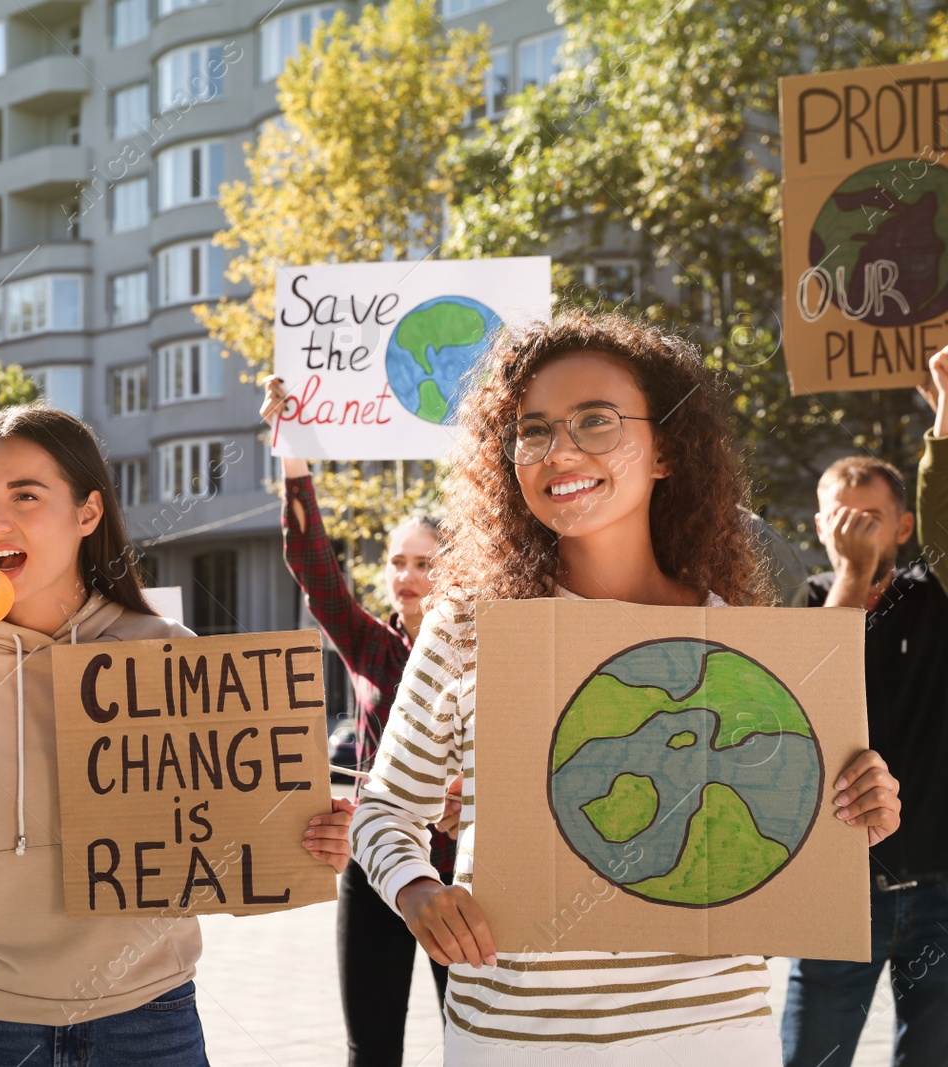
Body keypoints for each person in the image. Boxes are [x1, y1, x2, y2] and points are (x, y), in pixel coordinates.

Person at [349, 312, 902, 1064]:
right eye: (533, 428)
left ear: (668, 448)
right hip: (515, 1041)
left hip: (711, 1038)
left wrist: (859, 806)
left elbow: (795, 827)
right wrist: (416, 890)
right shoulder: (467, 629)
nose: (559, 449)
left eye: (596, 421)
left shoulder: (735, 637)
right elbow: (382, 810)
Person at [0, 405, 353, 1066]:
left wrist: (306, 832)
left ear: (88, 512)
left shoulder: (167, 654)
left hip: (147, 1020)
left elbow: (232, 836)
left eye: (26, 495)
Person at [260, 374, 460, 1067]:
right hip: (375, 871)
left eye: (424, 563)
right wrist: (293, 450)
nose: (405, 575)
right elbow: (314, 569)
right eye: (397, 561)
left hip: (459, 877)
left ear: (456, 570)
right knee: (369, 1048)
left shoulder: (485, 650)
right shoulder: (370, 642)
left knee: (474, 1044)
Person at [779, 348, 948, 1067]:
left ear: (904, 527)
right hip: (838, 896)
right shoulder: (805, 603)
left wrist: (943, 409)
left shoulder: (931, 595)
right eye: (842, 521)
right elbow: (812, 686)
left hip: (938, 889)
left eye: (872, 520)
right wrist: (849, 574)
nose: (857, 533)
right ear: (819, 527)